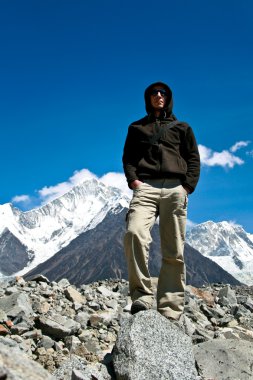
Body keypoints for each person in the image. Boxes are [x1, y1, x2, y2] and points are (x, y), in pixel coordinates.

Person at [122, 81, 200, 320]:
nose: (159, 95)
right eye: (154, 93)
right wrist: (134, 181)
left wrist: (187, 187)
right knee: (134, 233)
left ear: (169, 97)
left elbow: (193, 158)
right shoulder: (136, 128)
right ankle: (141, 297)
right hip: (145, 188)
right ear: (148, 98)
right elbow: (128, 159)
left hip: (175, 188)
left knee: (173, 249)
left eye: (163, 92)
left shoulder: (182, 127)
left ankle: (170, 308)